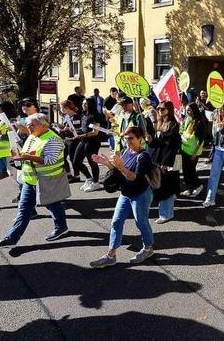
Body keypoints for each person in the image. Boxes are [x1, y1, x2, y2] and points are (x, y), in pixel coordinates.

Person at [0, 113, 70, 248]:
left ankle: (61, 227)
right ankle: (11, 239)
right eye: (28, 124)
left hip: (48, 180)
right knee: (24, 210)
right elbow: (27, 154)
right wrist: (18, 157)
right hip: (31, 180)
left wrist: (26, 157)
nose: (28, 127)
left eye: (32, 125)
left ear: (44, 125)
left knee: (52, 204)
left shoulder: (53, 139)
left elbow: (50, 160)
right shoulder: (33, 136)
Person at [89, 126, 155, 268]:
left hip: (140, 194)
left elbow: (134, 178)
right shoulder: (125, 151)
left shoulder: (144, 156)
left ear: (140, 139)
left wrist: (120, 167)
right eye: (126, 139)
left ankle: (148, 248)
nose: (127, 142)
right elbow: (118, 174)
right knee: (116, 222)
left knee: (141, 222)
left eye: (131, 138)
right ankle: (111, 255)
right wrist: (106, 163)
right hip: (125, 194)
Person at [151, 101, 181, 224]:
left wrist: (165, 162)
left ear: (169, 109)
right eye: (158, 108)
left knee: (166, 187)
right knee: (164, 186)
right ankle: (166, 211)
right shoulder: (162, 123)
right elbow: (159, 143)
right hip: (160, 159)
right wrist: (151, 139)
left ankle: (166, 214)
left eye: (162, 109)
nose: (160, 111)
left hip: (168, 160)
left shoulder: (173, 124)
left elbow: (172, 146)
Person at [73, 99, 102, 192]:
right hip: (83, 141)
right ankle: (89, 178)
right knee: (76, 162)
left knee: (92, 162)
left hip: (92, 142)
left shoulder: (96, 116)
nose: (84, 105)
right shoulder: (84, 115)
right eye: (83, 103)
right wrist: (76, 131)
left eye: (86, 103)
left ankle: (96, 182)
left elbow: (95, 132)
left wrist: (82, 135)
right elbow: (83, 128)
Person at [180, 103, 207, 197]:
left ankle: (198, 186)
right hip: (184, 149)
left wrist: (195, 153)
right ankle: (189, 188)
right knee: (185, 170)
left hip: (193, 151)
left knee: (191, 170)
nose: (188, 112)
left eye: (190, 110)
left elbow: (200, 140)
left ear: (194, 110)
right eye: (187, 110)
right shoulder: (187, 119)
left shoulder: (199, 122)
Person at [57, 100, 83, 182]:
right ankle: (68, 174)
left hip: (73, 140)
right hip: (66, 139)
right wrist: (58, 126)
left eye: (61, 107)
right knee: (62, 157)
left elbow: (78, 129)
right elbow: (65, 126)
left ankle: (77, 175)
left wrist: (68, 129)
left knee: (73, 159)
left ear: (66, 108)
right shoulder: (67, 116)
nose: (60, 109)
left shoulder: (75, 116)